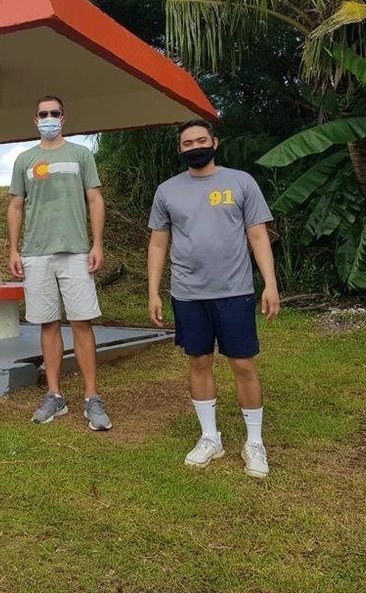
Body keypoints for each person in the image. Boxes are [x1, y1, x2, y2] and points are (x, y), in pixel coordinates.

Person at [147, 119, 280, 478]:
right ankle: (210, 437)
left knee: (243, 365)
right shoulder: (167, 191)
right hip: (188, 294)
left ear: (215, 142)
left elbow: (257, 235)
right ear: (180, 149)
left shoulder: (241, 182)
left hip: (235, 292)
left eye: (201, 140)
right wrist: (153, 291)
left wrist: (270, 283)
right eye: (187, 143)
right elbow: (159, 242)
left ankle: (254, 442)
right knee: (199, 362)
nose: (195, 147)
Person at [7, 96, 112, 431]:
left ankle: (91, 398)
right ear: (34, 120)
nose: (48, 118)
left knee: (82, 323)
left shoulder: (80, 155)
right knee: (47, 324)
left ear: (63, 118)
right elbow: (16, 206)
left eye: (54, 113)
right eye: (43, 114)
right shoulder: (25, 159)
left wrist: (97, 243)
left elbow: (95, 199)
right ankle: (55, 395)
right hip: (36, 254)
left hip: (76, 251)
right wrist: (13, 249)